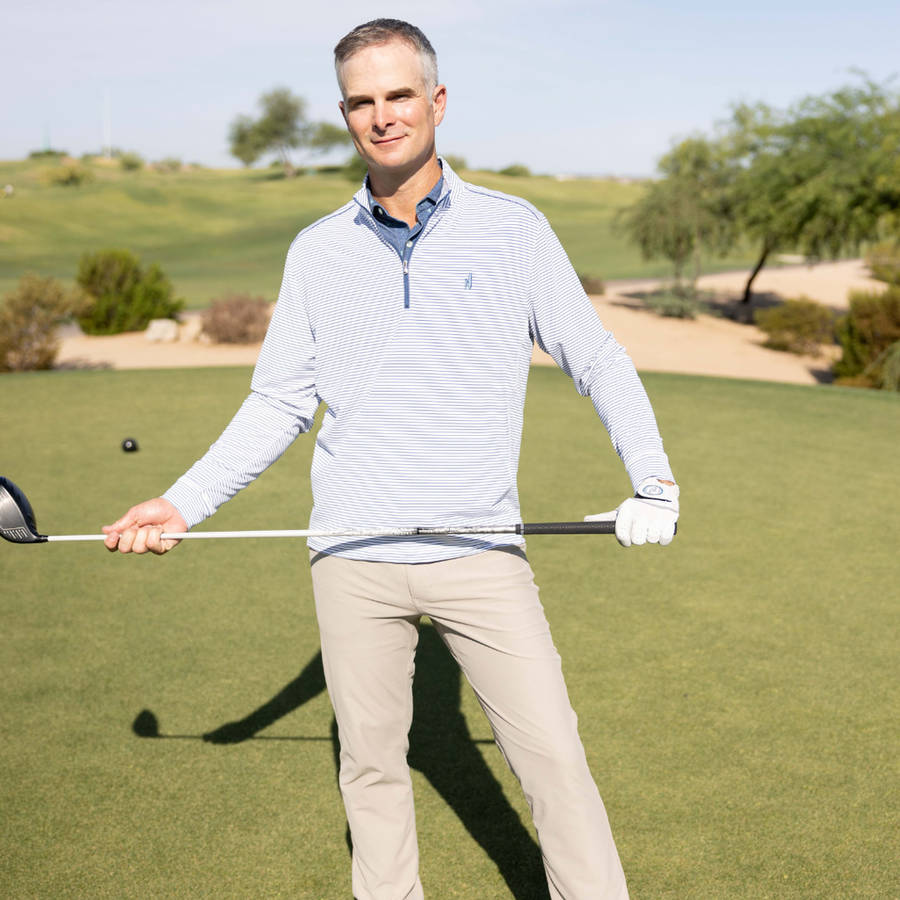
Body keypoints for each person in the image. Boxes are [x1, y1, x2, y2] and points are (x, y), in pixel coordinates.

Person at [104, 18, 679, 900]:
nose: (383, 116)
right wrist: (181, 504)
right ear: (345, 115)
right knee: (371, 779)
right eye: (363, 101)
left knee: (555, 764)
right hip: (352, 558)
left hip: (481, 555)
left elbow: (596, 358)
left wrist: (653, 479)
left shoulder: (513, 230)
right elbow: (279, 403)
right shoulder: (317, 252)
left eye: (400, 95)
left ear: (437, 102)